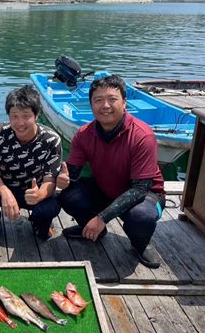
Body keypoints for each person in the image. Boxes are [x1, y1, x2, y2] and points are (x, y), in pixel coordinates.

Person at [58, 73, 165, 268]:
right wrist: (63, 179)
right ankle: (92, 229)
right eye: (98, 100)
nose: (105, 105)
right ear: (91, 105)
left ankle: (140, 244)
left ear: (124, 103)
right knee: (68, 195)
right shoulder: (84, 134)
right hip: (106, 188)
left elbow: (141, 189)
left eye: (112, 99)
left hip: (147, 195)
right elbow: (71, 173)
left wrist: (101, 218)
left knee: (141, 217)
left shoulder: (142, 135)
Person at [0, 84, 63, 242]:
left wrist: (40, 194)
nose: (20, 122)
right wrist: (5, 193)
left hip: (33, 191)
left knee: (51, 206)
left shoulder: (51, 139)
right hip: (5, 186)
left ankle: (41, 225)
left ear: (36, 115)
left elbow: (50, 180)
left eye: (26, 116)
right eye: (14, 116)